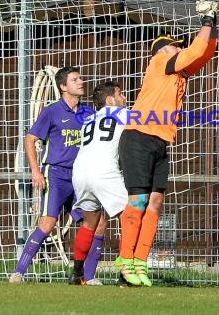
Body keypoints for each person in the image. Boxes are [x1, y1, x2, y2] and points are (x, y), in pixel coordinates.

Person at [114, 0, 219, 287]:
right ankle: (125, 261)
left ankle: (139, 262)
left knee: (156, 201)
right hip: (138, 137)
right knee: (138, 200)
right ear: (163, 50)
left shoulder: (179, 71)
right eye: (176, 44)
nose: (180, 47)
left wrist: (213, 22)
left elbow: (206, 51)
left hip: (160, 141)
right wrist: (205, 20)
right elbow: (196, 49)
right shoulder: (160, 60)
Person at [9, 66, 92, 283]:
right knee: (47, 224)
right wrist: (35, 171)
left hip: (81, 176)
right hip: (55, 174)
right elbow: (30, 139)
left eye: (80, 78)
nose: (81, 81)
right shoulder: (51, 111)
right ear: (63, 86)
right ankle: (19, 272)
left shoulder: (88, 113)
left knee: (90, 223)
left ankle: (84, 276)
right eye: (75, 79)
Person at [67, 81, 129, 286]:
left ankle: (77, 274)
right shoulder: (123, 114)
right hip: (104, 172)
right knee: (130, 217)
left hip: (80, 171)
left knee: (89, 222)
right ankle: (126, 275)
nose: (125, 98)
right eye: (121, 94)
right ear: (110, 100)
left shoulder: (89, 119)